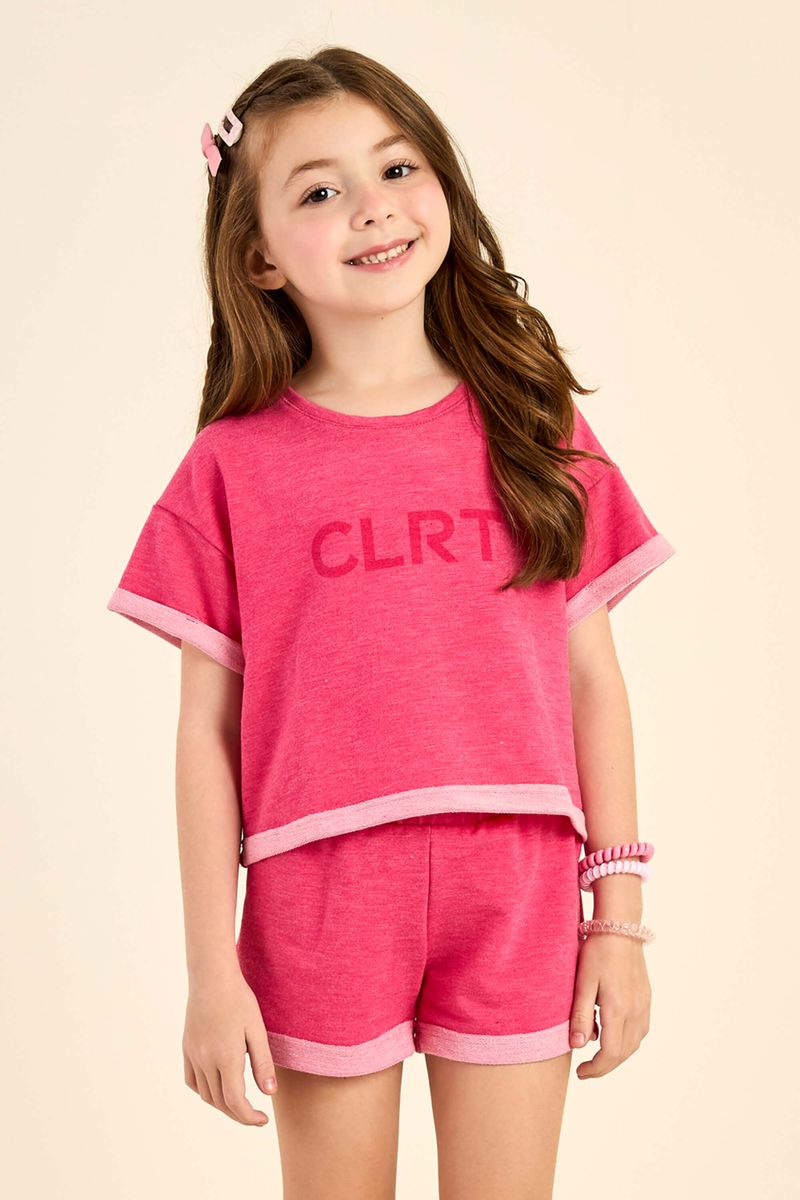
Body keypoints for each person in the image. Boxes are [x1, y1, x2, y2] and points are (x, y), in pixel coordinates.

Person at [106, 45, 676, 1200]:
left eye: (397, 167)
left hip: (517, 881)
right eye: (319, 189)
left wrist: (615, 918)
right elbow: (205, 733)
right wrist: (210, 970)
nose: (372, 206)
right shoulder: (231, 467)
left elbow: (590, 679)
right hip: (318, 896)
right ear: (258, 254)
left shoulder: (532, 423)